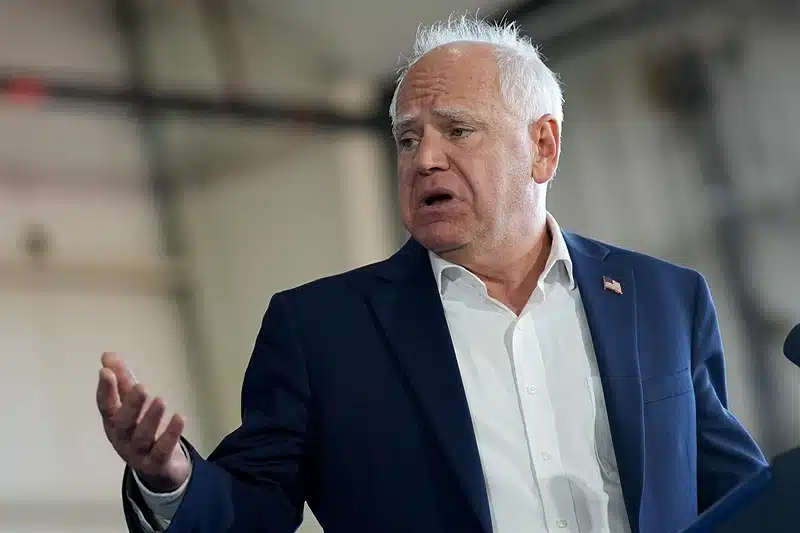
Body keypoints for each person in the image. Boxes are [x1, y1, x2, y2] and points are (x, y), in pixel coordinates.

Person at [96, 14, 768, 533]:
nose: (425, 160)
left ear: (543, 146)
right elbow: (251, 506)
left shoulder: (663, 297)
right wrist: (170, 476)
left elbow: (737, 491)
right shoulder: (322, 331)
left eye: (458, 131)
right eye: (408, 138)